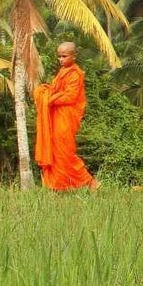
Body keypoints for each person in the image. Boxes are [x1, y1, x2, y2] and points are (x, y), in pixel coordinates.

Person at [34, 42, 98, 191]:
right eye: (59, 56)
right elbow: (57, 89)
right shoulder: (63, 71)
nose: (61, 59)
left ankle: (90, 182)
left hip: (66, 116)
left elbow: (70, 96)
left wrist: (50, 99)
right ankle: (57, 185)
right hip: (57, 116)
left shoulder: (76, 74)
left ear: (74, 56)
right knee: (56, 152)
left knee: (65, 152)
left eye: (64, 56)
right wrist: (46, 92)